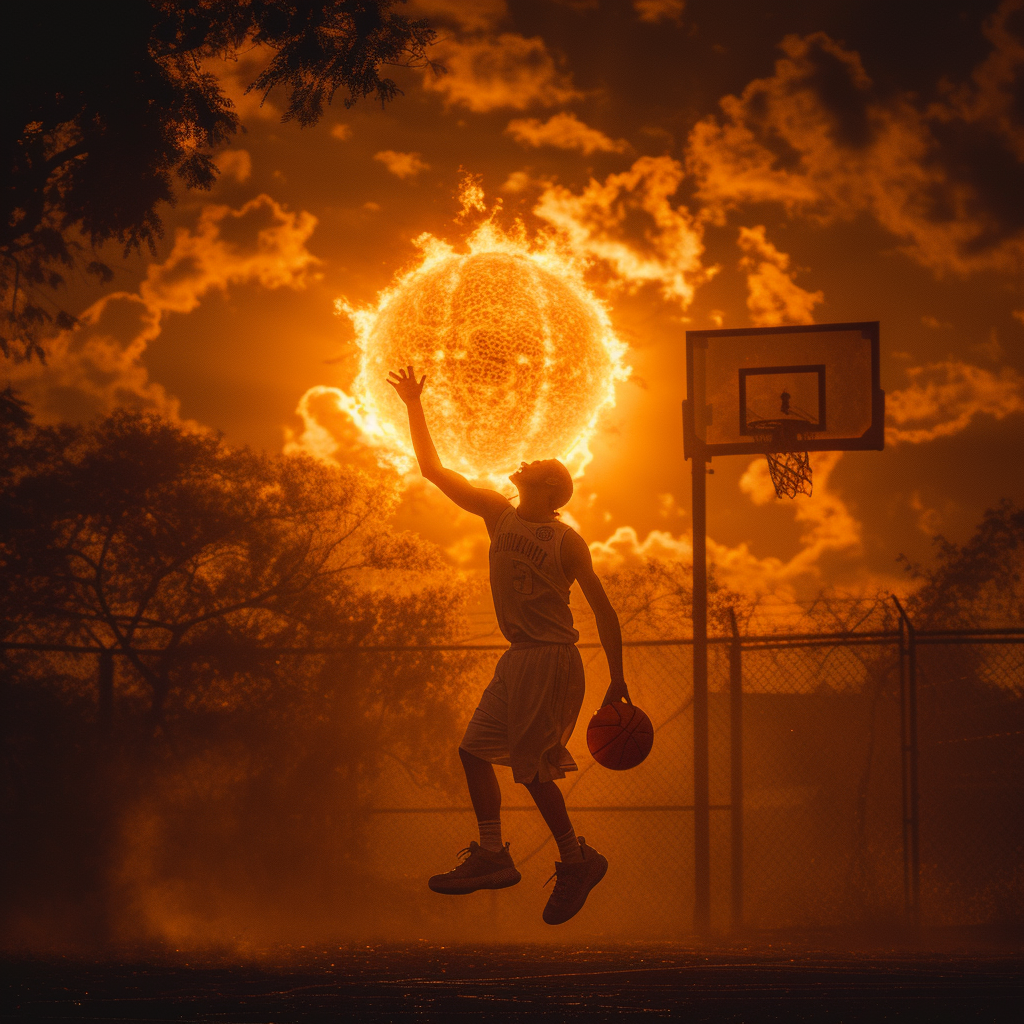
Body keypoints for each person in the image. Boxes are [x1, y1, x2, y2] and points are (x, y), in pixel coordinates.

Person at [388, 365, 630, 926]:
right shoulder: (496, 514)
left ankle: (577, 858)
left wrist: (617, 678)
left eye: (539, 466)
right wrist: (412, 405)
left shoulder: (567, 542)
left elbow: (604, 611)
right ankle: (494, 853)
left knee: (531, 770)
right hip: (519, 658)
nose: (526, 462)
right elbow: (431, 469)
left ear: (551, 488)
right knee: (473, 753)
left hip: (551, 660)